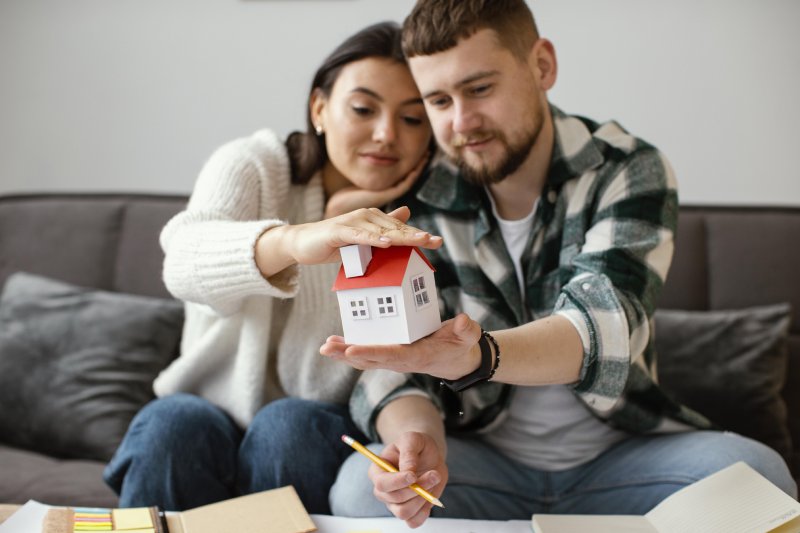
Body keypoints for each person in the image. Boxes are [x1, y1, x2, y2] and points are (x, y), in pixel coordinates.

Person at [322, 1, 798, 527]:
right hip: (482, 462)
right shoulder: (420, 193)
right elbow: (392, 370)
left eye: (480, 89)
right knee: (359, 493)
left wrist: (478, 356)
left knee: (759, 476)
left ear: (542, 65)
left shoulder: (627, 168)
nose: (462, 123)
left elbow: (600, 327)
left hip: (624, 458)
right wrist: (418, 443)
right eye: (438, 100)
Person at [103, 21, 443, 514]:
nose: (386, 134)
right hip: (201, 412)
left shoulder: (423, 225)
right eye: (363, 109)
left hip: (310, 429)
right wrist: (301, 238)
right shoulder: (255, 165)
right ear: (320, 109)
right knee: (172, 426)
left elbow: (400, 364)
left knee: (287, 426)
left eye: (412, 119)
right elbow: (182, 262)